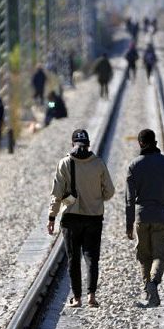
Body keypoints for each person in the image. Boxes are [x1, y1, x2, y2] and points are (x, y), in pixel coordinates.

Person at [48, 129, 115, 308]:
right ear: (88, 144)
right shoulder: (98, 164)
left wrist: (52, 216)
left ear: (72, 144)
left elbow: (56, 194)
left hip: (70, 219)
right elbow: (110, 191)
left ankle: (77, 298)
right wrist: (95, 197)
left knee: (73, 258)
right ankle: (91, 296)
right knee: (92, 257)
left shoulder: (64, 163)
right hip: (93, 218)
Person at [125, 129, 164, 307]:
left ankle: (149, 293)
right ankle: (153, 284)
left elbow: (128, 199)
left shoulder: (134, 165)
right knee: (160, 254)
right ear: (155, 141)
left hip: (142, 216)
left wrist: (129, 223)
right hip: (161, 215)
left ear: (140, 143)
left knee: (144, 256)